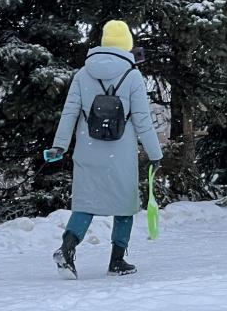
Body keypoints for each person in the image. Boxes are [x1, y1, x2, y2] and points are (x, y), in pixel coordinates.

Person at [48, 20, 163, 279]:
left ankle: (67, 249)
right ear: (126, 45)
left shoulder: (82, 74)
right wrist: (155, 154)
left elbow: (69, 113)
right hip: (120, 154)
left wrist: (60, 145)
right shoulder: (133, 75)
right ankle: (117, 262)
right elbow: (142, 120)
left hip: (88, 149)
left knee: (86, 202)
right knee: (124, 206)